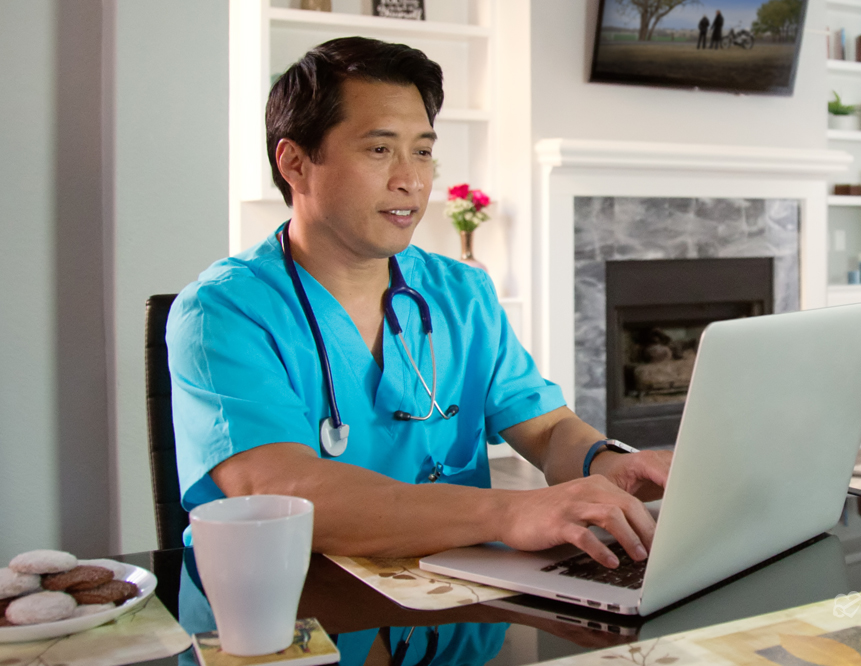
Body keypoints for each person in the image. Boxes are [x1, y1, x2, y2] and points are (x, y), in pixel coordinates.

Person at [166, 37, 673, 570]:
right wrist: (509, 513)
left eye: (424, 151)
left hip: (464, 612)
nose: (411, 180)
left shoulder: (461, 293)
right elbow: (280, 491)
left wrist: (605, 460)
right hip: (295, 611)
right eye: (379, 149)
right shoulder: (222, 312)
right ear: (295, 163)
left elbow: (546, 430)